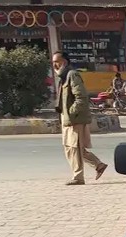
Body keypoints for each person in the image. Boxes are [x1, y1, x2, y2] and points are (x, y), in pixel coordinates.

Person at [52, 51, 108, 185]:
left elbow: (81, 97)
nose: (54, 66)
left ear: (64, 62)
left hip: (74, 119)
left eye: (57, 62)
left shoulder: (72, 75)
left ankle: (78, 177)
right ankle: (98, 165)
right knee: (71, 147)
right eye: (53, 63)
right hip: (67, 118)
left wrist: (72, 113)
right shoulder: (63, 77)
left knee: (74, 148)